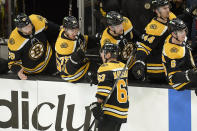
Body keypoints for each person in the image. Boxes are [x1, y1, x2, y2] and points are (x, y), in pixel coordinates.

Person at [132, 0, 196, 82]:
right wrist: (139, 62)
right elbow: (144, 47)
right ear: (156, 11)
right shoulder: (153, 28)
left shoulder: (169, 16)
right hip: (158, 72)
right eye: (164, 8)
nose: (168, 10)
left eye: (168, 7)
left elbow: (177, 20)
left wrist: (188, 14)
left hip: (173, 66)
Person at [8, 13, 60, 80]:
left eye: (29, 26)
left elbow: (50, 26)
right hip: (29, 72)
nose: (29, 30)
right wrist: (18, 72)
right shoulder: (14, 41)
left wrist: (60, 28)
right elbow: (11, 63)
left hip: (49, 61)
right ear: (19, 29)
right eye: (25, 28)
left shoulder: (36, 20)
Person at [90, 42, 129, 131]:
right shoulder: (123, 66)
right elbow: (113, 80)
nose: (101, 55)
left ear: (108, 54)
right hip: (122, 111)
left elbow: (102, 93)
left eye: (103, 53)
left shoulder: (104, 67)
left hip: (110, 111)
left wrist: (97, 105)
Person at [55, 16, 99, 83]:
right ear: (64, 29)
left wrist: (97, 38)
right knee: (101, 72)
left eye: (76, 29)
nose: (75, 32)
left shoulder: (70, 34)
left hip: (80, 63)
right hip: (70, 75)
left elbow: (84, 40)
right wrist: (75, 58)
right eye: (72, 30)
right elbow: (69, 70)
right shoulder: (63, 46)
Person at [100, 11, 141, 79]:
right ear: (111, 27)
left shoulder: (125, 22)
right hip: (123, 70)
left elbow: (136, 35)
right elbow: (107, 63)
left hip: (135, 61)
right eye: (118, 26)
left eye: (121, 24)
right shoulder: (107, 41)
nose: (122, 27)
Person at [162, 18, 197, 90]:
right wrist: (191, 75)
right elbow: (173, 78)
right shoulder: (172, 52)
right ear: (173, 33)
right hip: (178, 83)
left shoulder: (176, 38)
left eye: (184, 30)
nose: (184, 33)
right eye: (181, 31)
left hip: (189, 70)